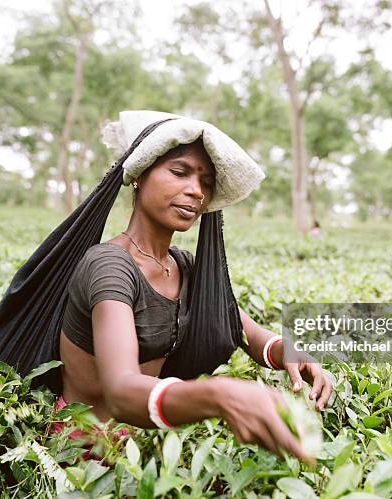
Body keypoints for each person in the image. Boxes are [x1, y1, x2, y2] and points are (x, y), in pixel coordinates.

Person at [50, 111, 334, 463]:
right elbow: (120, 390)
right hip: (83, 452)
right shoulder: (110, 266)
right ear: (139, 175)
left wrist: (291, 352)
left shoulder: (184, 266)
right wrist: (218, 395)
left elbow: (247, 333)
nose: (196, 191)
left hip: (144, 446)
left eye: (206, 182)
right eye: (180, 172)